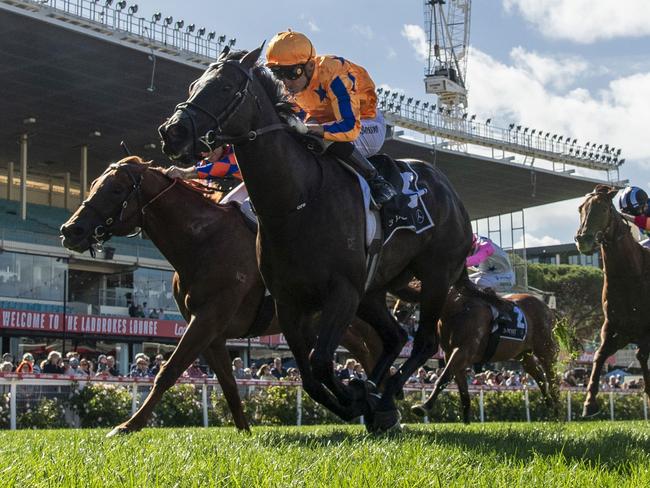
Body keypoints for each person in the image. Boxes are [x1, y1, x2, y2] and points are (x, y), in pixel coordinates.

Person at [265, 30, 397, 206]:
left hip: (365, 123)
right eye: (278, 73)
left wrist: (310, 129)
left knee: (323, 138)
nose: (286, 82)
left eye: (292, 73)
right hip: (324, 121)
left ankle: (376, 180)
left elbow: (349, 128)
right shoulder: (288, 87)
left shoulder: (334, 73)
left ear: (310, 66)